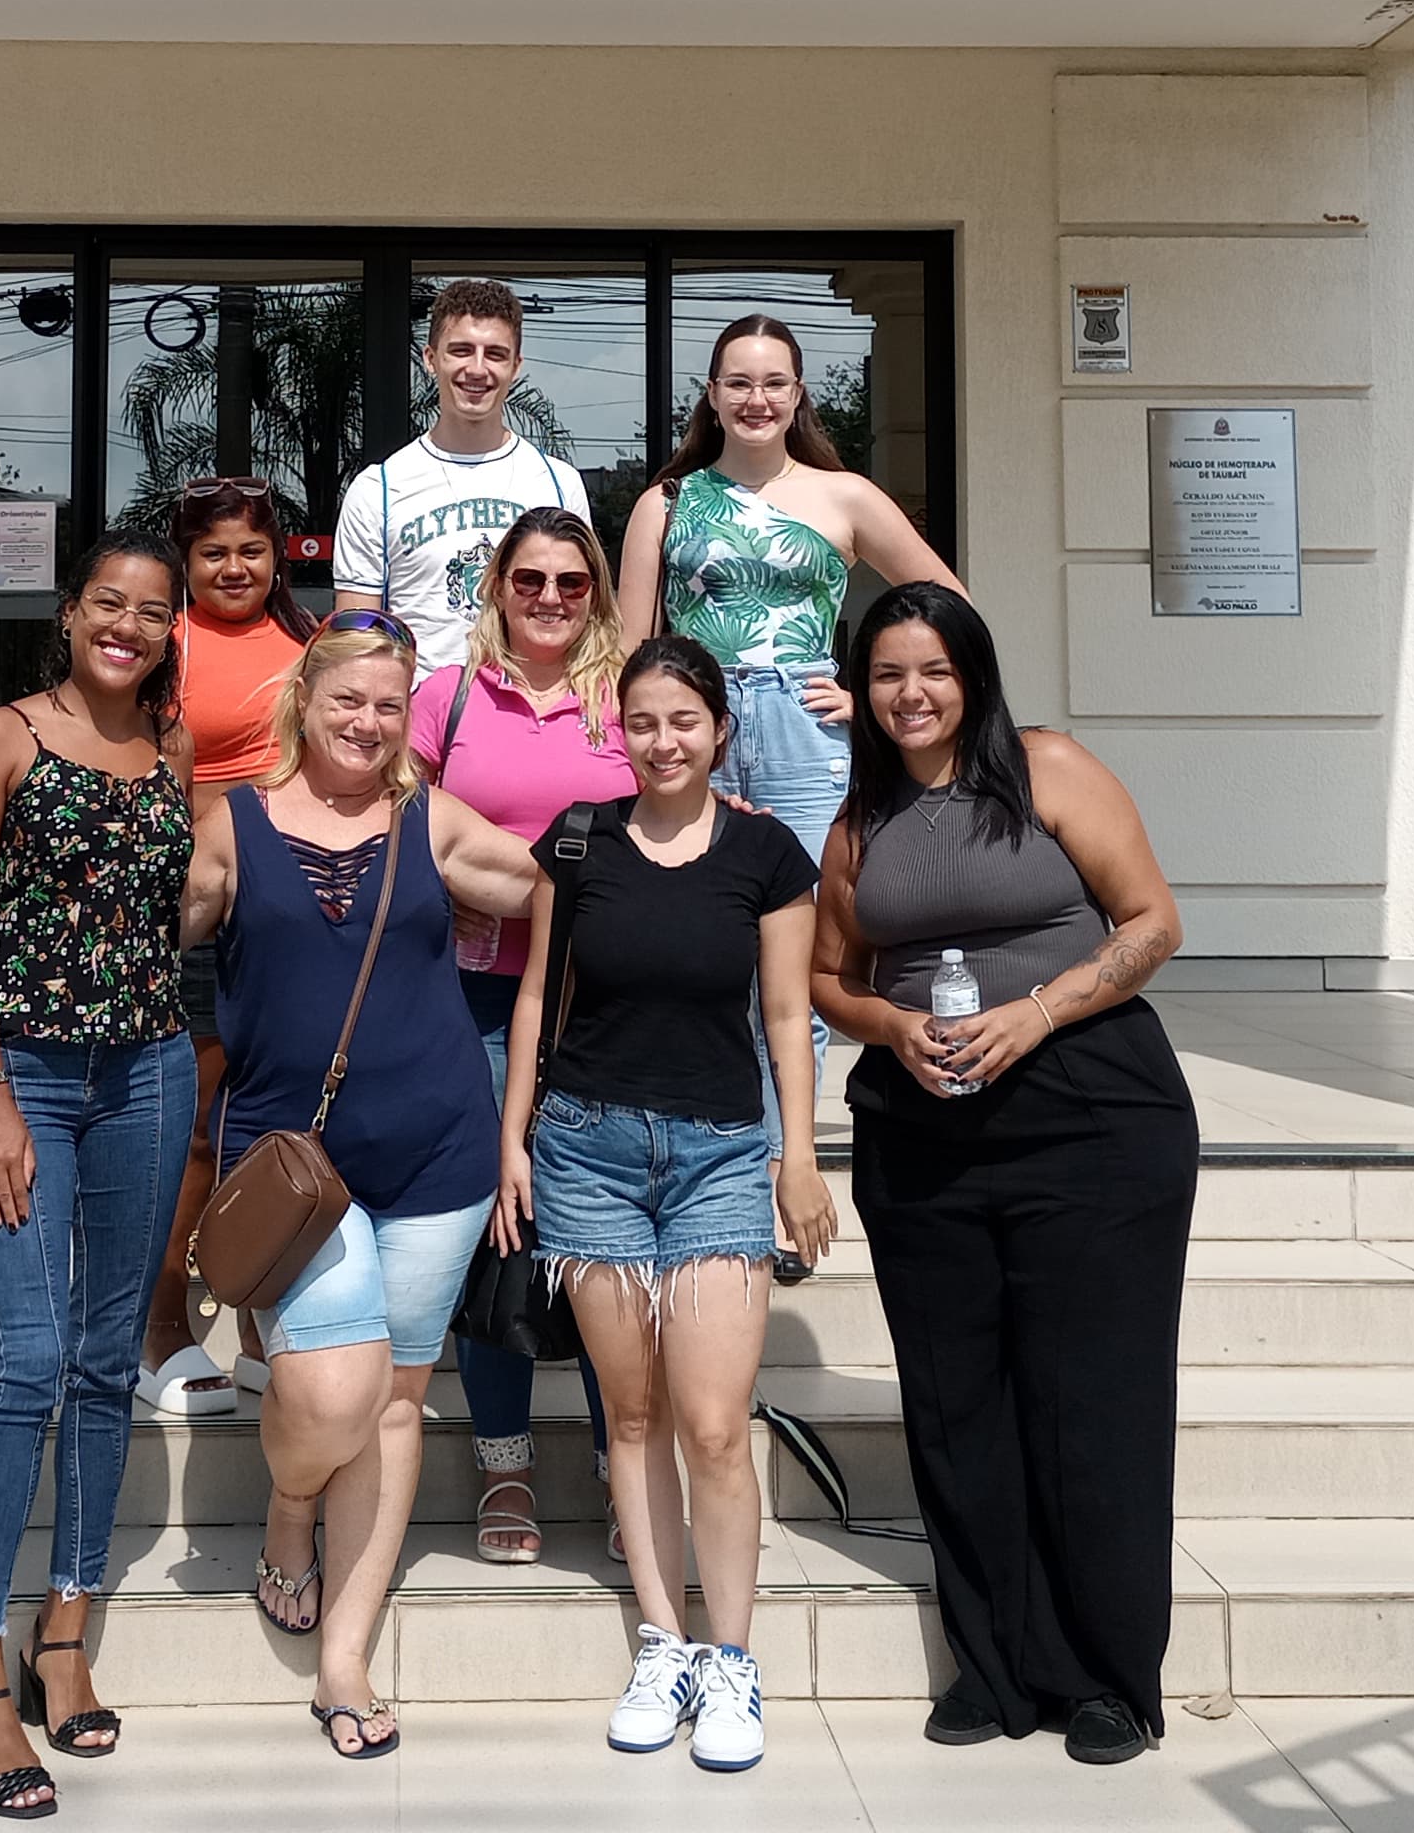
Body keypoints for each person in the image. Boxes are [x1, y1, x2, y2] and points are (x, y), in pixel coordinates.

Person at [807, 586, 1196, 1767]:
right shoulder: (858, 820)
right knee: (955, 1398)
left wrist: (1037, 1009)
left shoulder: (1047, 768)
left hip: (1091, 1113)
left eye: (932, 668)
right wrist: (888, 1024)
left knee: (1093, 1401)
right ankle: (988, 1660)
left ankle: (1105, 1676)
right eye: (886, 673)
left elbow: (1150, 922)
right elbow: (828, 975)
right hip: (923, 1127)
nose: (910, 693)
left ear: (971, 674)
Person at [182, 610, 543, 1760]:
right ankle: (291, 1498)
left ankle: (344, 1656)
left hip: (439, 1151)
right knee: (335, 1392)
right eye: (347, 698)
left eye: (390, 704)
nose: (368, 720)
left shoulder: (431, 818)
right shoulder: (230, 826)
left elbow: (559, 884)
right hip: (294, 1171)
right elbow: (140, 938)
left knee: (394, 1400)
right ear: (304, 701)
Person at [494, 639, 833, 1773]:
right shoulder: (578, 840)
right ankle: (663, 1642)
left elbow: (784, 1016)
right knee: (629, 1413)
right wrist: (513, 1142)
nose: (662, 740)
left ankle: (730, 1657)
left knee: (713, 1423)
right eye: (641, 721)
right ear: (619, 731)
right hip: (585, 1151)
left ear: (719, 728)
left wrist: (798, 1157)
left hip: (721, 1154)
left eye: (683, 719)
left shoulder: (766, 852)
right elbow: (537, 994)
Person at [0, 527, 203, 1821]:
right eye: (108, 602)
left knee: (103, 1359)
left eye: (150, 611)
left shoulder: (171, 752)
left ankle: (68, 1626)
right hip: (24, 1075)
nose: (126, 626)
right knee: (28, 1359)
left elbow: (168, 916)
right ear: (69, 611)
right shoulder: (1, 738)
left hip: (147, 1073)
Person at [408, 510, 635, 1564]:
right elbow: (387, 811)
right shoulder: (446, 697)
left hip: (605, 1003)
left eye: (571, 582)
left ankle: (619, 1461)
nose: (549, 598)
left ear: (596, 594)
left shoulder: (625, 698)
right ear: (497, 585)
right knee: (495, 1226)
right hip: (472, 1002)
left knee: (598, 1235)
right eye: (530, 578)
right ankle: (504, 1462)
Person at [619, 312, 963, 864]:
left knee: (814, 896)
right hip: (693, 727)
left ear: (798, 393)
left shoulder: (846, 497)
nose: (757, 400)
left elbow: (952, 610)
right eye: (739, 384)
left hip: (807, 730)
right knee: (700, 899)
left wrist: (870, 700)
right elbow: (628, 653)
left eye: (775, 384)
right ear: (712, 393)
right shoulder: (664, 503)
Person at [140, 477, 314, 1421]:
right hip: (198, 913)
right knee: (197, 1133)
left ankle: (257, 1332)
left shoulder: (311, 643)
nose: (234, 568)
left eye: (251, 550)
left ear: (277, 555)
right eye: (213, 553)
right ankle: (164, 1328)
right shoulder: (160, 645)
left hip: (297, 912)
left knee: (279, 1126)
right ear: (186, 561)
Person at [331, 276, 590, 679]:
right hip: (419, 711)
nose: (477, 369)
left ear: (516, 367)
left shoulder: (560, 484)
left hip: (529, 705)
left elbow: (582, 621)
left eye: (496, 354)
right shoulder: (377, 490)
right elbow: (354, 645)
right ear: (431, 358)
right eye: (461, 350)